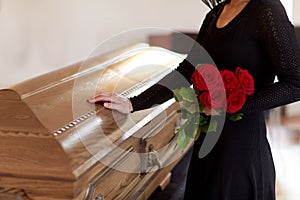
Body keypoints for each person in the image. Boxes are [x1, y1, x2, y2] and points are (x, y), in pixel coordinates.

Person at [88, 0, 300, 199]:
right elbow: (187, 70)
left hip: (241, 150)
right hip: (206, 146)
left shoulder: (267, 11)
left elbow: (295, 83)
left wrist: (231, 106)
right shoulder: (216, 14)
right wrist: (133, 103)